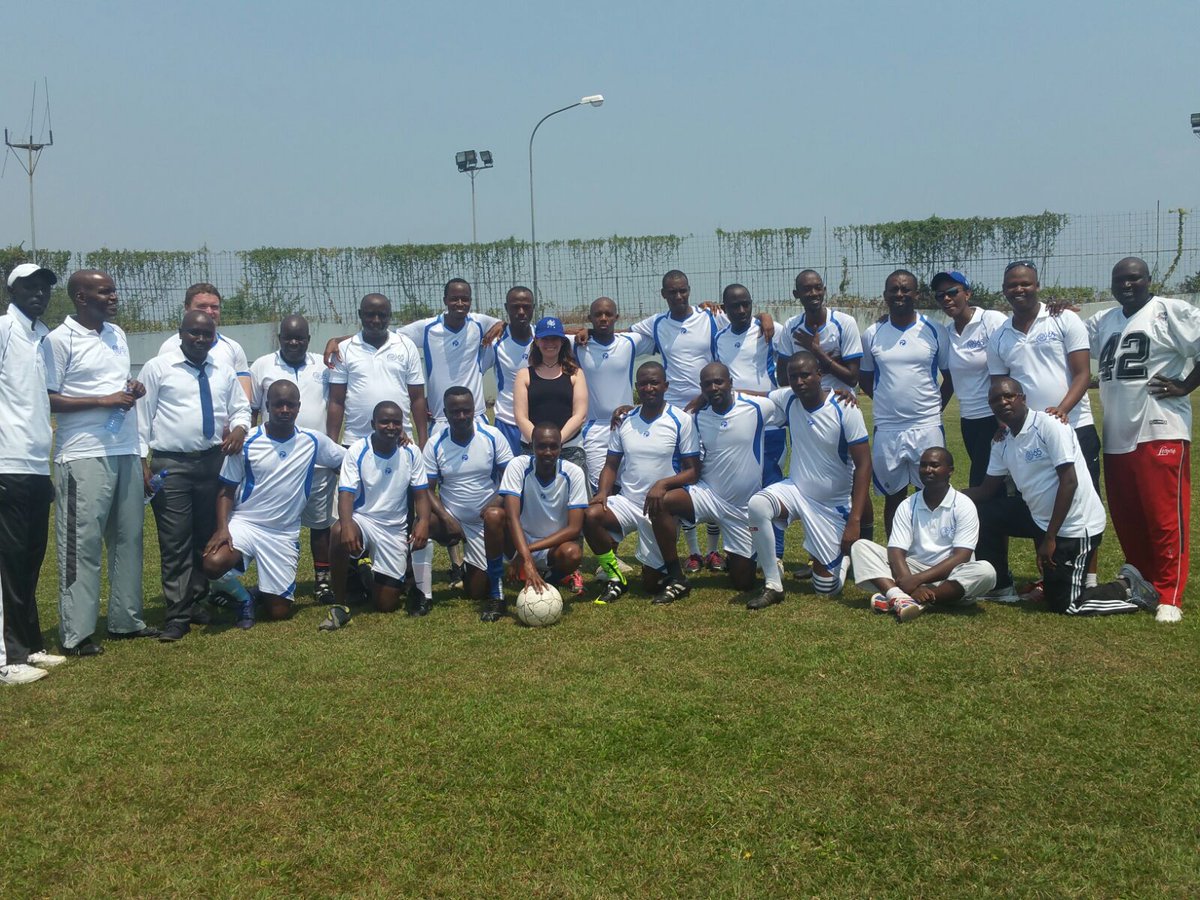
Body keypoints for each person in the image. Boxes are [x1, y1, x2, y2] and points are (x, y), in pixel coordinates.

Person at [966, 378, 1149, 616]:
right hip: (1038, 517)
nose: (1002, 402)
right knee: (984, 511)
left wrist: (1049, 538)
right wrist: (943, 494)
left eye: (1009, 396)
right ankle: (1000, 585)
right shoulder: (1003, 441)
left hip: (1074, 524)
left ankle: (1126, 587)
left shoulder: (1049, 425)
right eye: (995, 400)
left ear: (1023, 398)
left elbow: (1069, 481)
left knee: (1065, 604)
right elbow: (986, 491)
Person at [47, 269, 159, 655]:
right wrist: (103, 400)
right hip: (83, 453)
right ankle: (77, 633)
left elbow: (116, 385)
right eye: (104, 292)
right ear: (81, 297)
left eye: (114, 290)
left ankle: (126, 620)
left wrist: (132, 389)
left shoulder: (117, 334)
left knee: (128, 539)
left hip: (124, 448)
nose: (113, 297)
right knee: (82, 544)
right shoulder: (59, 340)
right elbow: (47, 397)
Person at [1085, 256, 1200, 622]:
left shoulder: (1169, 311)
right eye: (1120, 279)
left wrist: (1185, 385)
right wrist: (1058, 309)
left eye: (1134, 278)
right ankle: (1141, 579)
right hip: (1117, 433)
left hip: (1160, 427)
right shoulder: (1105, 320)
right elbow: (1069, 334)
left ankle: (1169, 593)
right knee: (1128, 516)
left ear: (1149, 279)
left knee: (1165, 517)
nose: (1127, 285)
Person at [138, 310, 251, 641]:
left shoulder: (222, 369)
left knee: (206, 536)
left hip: (213, 462)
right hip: (171, 465)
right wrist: (142, 461)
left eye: (207, 334)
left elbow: (240, 407)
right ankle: (177, 615)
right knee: (175, 541)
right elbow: (141, 417)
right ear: (180, 333)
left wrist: (240, 428)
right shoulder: (158, 368)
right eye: (194, 333)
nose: (201, 339)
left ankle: (198, 602)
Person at [203, 380, 346, 627]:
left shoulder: (312, 441)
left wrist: (394, 442)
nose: (284, 410)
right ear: (267, 406)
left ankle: (260, 594)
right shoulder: (247, 441)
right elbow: (226, 490)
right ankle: (243, 598)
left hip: (282, 533)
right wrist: (223, 529)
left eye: (290, 405)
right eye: (278, 404)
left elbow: (349, 461)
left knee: (278, 611)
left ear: (298, 407)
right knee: (213, 563)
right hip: (246, 524)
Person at [747, 352, 872, 609]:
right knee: (758, 504)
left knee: (826, 589)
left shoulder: (845, 408)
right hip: (796, 490)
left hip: (831, 505)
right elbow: (755, 396)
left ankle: (843, 558)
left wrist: (854, 521)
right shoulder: (788, 398)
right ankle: (773, 584)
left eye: (805, 375)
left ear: (819, 375)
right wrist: (714, 393)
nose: (799, 381)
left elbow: (864, 465)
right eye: (793, 376)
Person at [647, 362, 781, 600]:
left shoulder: (757, 407)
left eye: (719, 382)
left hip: (741, 508)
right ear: (701, 388)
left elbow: (791, 398)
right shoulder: (696, 416)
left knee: (743, 583)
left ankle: (738, 556)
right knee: (663, 501)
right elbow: (661, 418)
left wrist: (837, 393)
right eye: (707, 384)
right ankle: (676, 576)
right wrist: (626, 411)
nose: (714, 387)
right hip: (707, 495)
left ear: (731, 383)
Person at [585, 361, 700, 605]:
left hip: (660, 507)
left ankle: (674, 574)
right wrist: (603, 492)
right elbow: (611, 465)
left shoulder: (680, 420)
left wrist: (663, 484)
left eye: (654, 383)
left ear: (665, 386)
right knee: (590, 515)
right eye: (644, 384)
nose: (649, 388)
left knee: (650, 584)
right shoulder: (624, 420)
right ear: (636, 387)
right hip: (629, 502)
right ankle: (615, 577)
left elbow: (692, 472)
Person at [0, 263, 64, 683]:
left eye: (44, 287)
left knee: (28, 559)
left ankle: (31, 643)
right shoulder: (4, 329)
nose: (39, 293)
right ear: (12, 290)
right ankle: (7, 659)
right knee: (7, 562)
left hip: (36, 464)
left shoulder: (42, 337)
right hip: (7, 461)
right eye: (30, 286)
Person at [850, 448, 996, 621]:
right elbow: (896, 551)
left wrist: (916, 581)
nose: (928, 470)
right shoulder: (908, 505)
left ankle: (910, 599)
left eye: (934, 465)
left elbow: (961, 557)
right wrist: (908, 580)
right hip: (913, 570)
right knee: (861, 547)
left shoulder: (964, 505)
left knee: (986, 571)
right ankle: (901, 597)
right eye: (923, 465)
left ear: (950, 470)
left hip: (951, 576)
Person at [250, 315, 338, 603]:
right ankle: (272, 579)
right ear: (279, 338)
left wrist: (338, 339)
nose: (294, 342)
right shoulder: (262, 365)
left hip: (317, 461)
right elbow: (253, 410)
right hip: (275, 463)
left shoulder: (323, 366)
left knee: (320, 524)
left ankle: (322, 580)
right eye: (288, 337)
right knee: (274, 522)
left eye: (300, 338)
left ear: (308, 340)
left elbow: (335, 404)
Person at [859, 270, 952, 536]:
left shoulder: (935, 330)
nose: (900, 294)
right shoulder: (872, 333)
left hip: (927, 426)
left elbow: (949, 377)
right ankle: (896, 553)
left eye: (906, 289)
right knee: (894, 498)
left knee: (933, 493)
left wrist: (933, 409)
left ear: (916, 294)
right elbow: (865, 377)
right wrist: (886, 401)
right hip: (888, 428)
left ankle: (930, 552)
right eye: (894, 290)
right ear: (885, 295)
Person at [482, 424, 588, 622]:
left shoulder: (573, 472)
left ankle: (549, 581)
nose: (547, 452)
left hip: (551, 546)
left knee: (573, 554)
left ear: (561, 447)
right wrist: (525, 555)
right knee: (493, 515)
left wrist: (526, 554)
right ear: (532, 446)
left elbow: (574, 528)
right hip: (518, 539)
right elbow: (512, 516)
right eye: (541, 446)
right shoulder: (518, 465)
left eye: (553, 446)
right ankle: (497, 594)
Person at [332, 401, 430, 614]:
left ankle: (365, 571)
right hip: (364, 520)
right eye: (385, 422)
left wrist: (423, 521)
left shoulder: (411, 452)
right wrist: (347, 525)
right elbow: (346, 494)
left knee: (386, 604)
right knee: (338, 530)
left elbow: (421, 494)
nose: (391, 427)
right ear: (373, 424)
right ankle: (339, 602)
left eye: (396, 422)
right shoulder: (357, 450)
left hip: (394, 529)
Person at [713, 285, 786, 568]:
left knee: (772, 488)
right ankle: (744, 550)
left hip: (770, 425)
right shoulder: (719, 338)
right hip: (737, 427)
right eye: (735, 306)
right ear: (725, 309)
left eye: (747, 304)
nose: (742, 310)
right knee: (738, 489)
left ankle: (776, 554)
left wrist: (765, 317)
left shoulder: (771, 329)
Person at [423, 387, 514, 613]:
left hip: (486, 521)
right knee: (423, 524)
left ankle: (485, 578)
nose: (461, 416)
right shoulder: (435, 443)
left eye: (466, 410)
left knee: (475, 592)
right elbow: (426, 490)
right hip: (452, 519)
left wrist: (496, 501)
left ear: (474, 410)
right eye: (455, 412)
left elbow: (511, 479)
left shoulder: (492, 436)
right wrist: (446, 518)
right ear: (445, 413)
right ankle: (421, 592)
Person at [932, 271, 1007, 487]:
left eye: (952, 292)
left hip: (995, 417)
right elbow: (949, 380)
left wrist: (1004, 420)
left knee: (984, 483)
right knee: (995, 481)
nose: (946, 299)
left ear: (967, 293)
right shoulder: (946, 333)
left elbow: (1011, 366)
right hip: (968, 420)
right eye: (940, 296)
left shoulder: (991, 320)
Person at [327, 293, 428, 447]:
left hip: (400, 439)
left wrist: (423, 441)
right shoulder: (344, 349)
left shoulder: (406, 346)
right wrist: (332, 446)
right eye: (370, 315)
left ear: (390, 316)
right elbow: (336, 401)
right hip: (355, 440)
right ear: (360, 314)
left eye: (382, 315)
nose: (376, 320)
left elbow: (417, 398)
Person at [575, 296, 653, 493]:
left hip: (625, 424)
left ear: (616, 317)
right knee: (600, 489)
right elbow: (547, 335)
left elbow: (663, 336)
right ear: (590, 318)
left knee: (629, 486)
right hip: (593, 427)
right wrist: (585, 332)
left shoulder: (630, 342)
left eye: (608, 314)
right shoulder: (578, 345)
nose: (603, 318)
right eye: (598, 315)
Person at [512, 315, 589, 473]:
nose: (550, 343)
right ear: (536, 341)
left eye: (554, 339)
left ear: (562, 341)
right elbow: (521, 417)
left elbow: (580, 415)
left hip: (569, 448)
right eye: (545, 339)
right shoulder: (524, 375)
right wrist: (541, 444)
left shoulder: (576, 374)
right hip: (532, 449)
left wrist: (555, 443)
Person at [156, 282, 252, 402]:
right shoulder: (170, 347)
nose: (209, 311)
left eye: (214, 307)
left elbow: (244, 399)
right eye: (202, 306)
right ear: (187, 308)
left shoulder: (233, 348)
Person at [775, 269, 862, 393]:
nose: (814, 293)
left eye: (818, 288)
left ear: (824, 290)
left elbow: (853, 379)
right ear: (796, 294)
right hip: (804, 401)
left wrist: (818, 352)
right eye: (807, 289)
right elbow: (783, 379)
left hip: (838, 398)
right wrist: (830, 364)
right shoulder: (791, 326)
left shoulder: (845, 323)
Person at [479, 286, 534, 454]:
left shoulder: (544, 340)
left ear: (533, 308)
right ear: (506, 308)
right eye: (515, 307)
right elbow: (474, 373)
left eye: (526, 307)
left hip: (538, 422)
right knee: (508, 471)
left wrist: (587, 330)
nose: (521, 312)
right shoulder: (495, 342)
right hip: (507, 422)